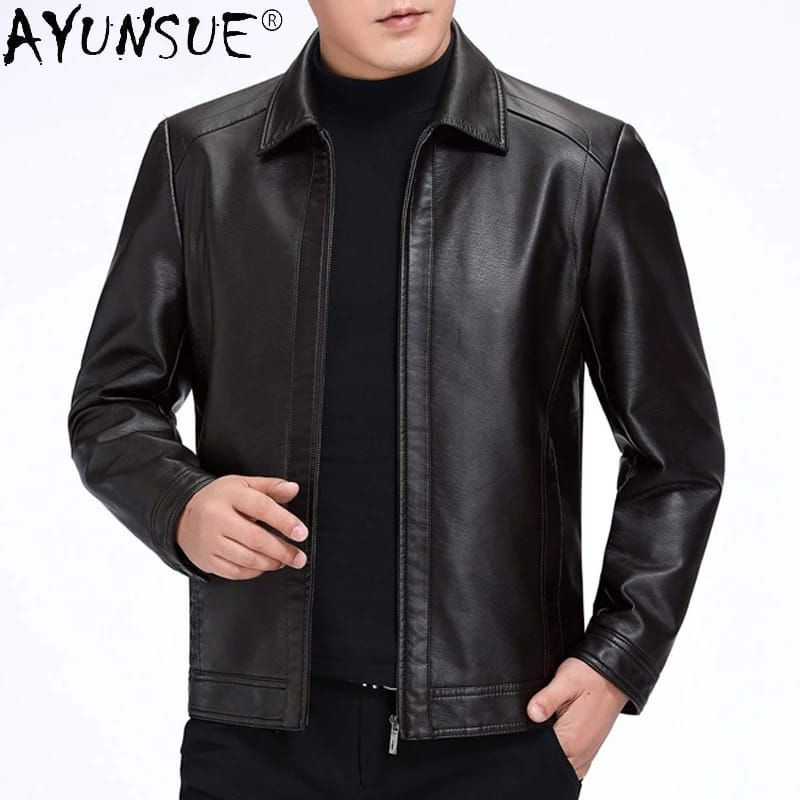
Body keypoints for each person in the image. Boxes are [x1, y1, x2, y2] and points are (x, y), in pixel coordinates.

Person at [67, 2, 725, 798]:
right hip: (257, 738)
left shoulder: (578, 162)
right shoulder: (201, 158)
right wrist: (179, 503)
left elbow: (678, 455)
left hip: (498, 736)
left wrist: (618, 660)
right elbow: (111, 402)